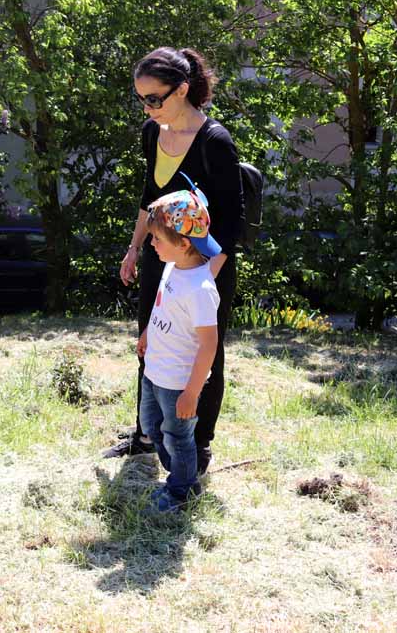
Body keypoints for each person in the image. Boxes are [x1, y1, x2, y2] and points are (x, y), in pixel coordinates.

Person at [104, 46, 243, 476]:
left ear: (182, 89)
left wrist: (199, 280)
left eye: (154, 99)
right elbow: (150, 198)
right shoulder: (153, 133)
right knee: (153, 343)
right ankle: (148, 434)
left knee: (202, 354)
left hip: (206, 268)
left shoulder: (214, 142)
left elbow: (231, 225)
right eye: (141, 98)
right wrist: (134, 249)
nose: (147, 108)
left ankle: (198, 444)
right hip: (160, 257)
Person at [137, 189, 220, 511]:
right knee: (153, 427)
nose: (152, 244)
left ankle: (183, 490)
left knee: (178, 437)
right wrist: (148, 331)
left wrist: (191, 392)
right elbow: (163, 305)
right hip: (154, 370)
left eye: (157, 238)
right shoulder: (172, 268)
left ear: (184, 243)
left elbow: (209, 345)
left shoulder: (200, 289)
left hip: (178, 383)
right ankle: (178, 476)